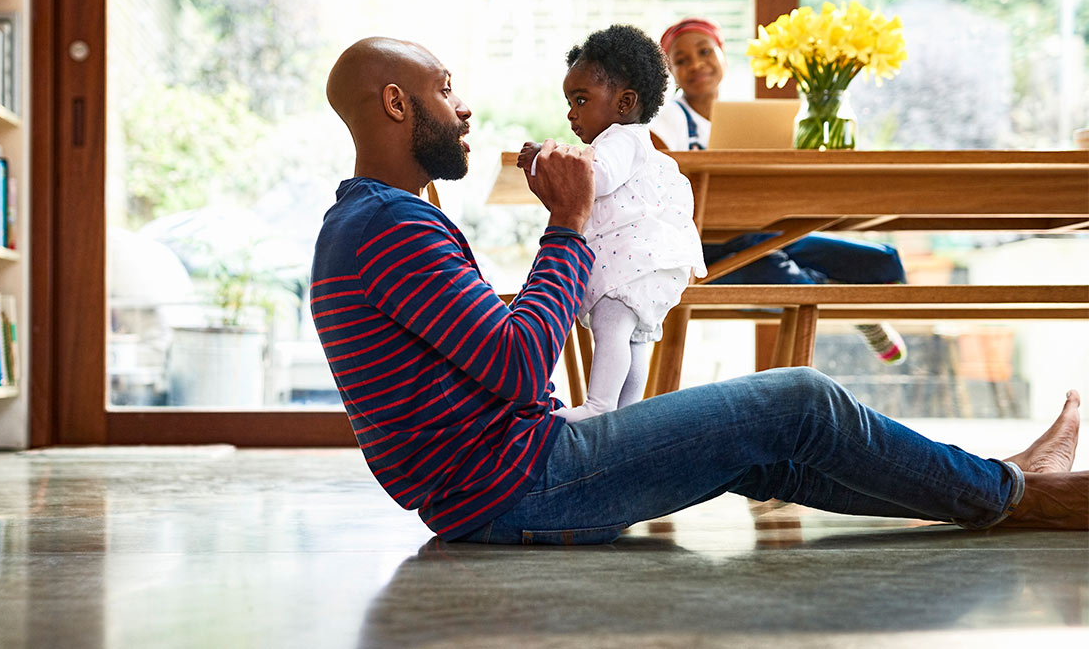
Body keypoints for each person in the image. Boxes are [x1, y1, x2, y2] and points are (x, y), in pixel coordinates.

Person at [311, 34, 1086, 544]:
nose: (466, 106)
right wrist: (571, 224)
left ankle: (995, 486)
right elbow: (519, 363)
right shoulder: (391, 227)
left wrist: (566, 266)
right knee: (798, 400)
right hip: (522, 484)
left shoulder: (371, 223)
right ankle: (1021, 492)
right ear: (396, 104)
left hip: (496, 487)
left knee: (772, 453)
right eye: (447, 90)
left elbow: (492, 352)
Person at [651, 17, 910, 367]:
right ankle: (847, 305)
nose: (696, 64)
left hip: (763, 232)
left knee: (882, 262)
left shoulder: (753, 119)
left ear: (723, 55)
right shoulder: (667, 120)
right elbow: (657, 186)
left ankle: (832, 292)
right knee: (780, 279)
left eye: (704, 51)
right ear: (670, 72)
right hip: (707, 247)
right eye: (681, 60)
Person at [517, 25, 706, 421]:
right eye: (569, 102)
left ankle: (600, 405)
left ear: (625, 102)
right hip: (642, 265)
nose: (571, 113)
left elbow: (592, 179)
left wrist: (543, 157)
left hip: (627, 265)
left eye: (581, 100)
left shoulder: (620, 139)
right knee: (633, 338)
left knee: (611, 329)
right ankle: (625, 415)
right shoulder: (633, 140)